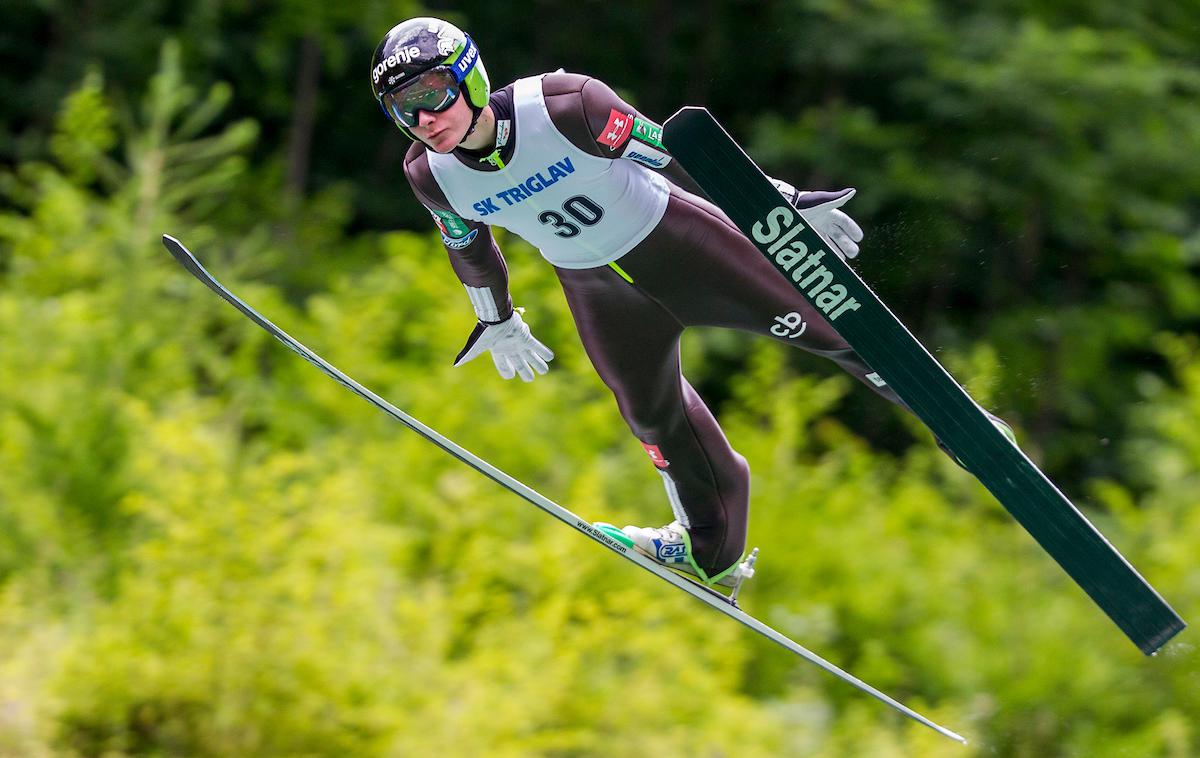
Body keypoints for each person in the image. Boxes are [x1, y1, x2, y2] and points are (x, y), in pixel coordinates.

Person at [373, 17, 1012, 589]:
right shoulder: (430, 174)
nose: (424, 119)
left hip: (679, 244)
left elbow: (675, 154)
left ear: (471, 79)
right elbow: (469, 247)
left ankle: (962, 424)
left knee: (833, 329)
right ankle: (713, 556)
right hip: (597, 289)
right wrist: (496, 318)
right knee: (654, 420)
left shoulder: (566, 106)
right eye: (405, 109)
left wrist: (777, 201)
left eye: (431, 94)